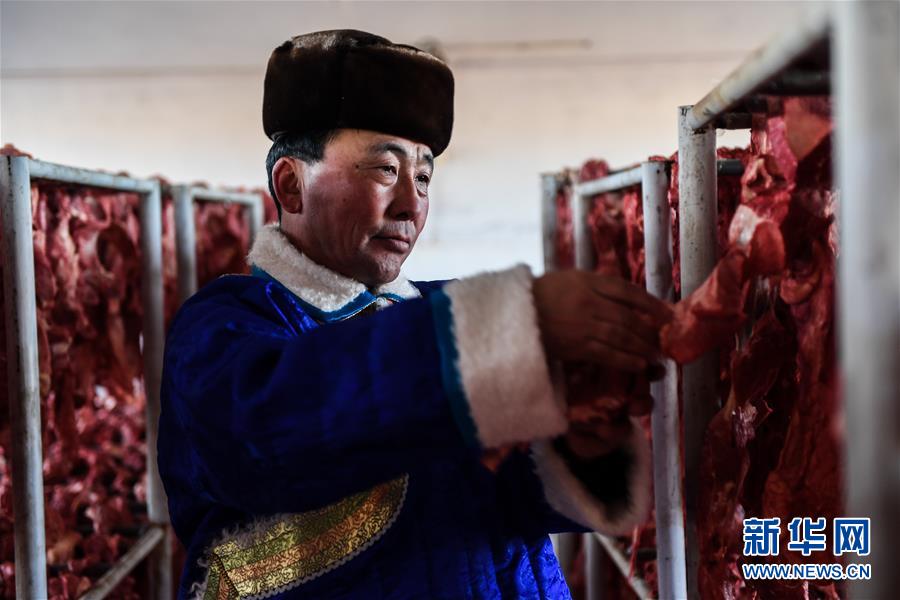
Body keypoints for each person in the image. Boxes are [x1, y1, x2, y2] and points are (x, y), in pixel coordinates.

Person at [158, 29, 671, 600]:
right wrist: (518, 324)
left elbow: (509, 498)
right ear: (292, 186)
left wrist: (581, 442)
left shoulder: (443, 314)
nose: (412, 204)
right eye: (385, 169)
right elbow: (267, 434)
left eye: (423, 177)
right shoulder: (223, 328)